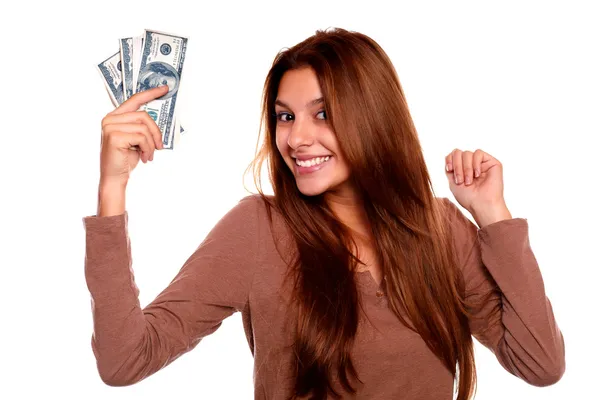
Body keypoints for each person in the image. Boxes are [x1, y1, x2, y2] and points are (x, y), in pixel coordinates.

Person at [83, 28, 565, 400]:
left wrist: (494, 216)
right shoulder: (258, 230)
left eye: (323, 113)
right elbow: (125, 361)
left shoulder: (440, 231)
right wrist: (113, 186)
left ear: (373, 118)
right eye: (285, 116)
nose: (296, 139)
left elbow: (541, 365)